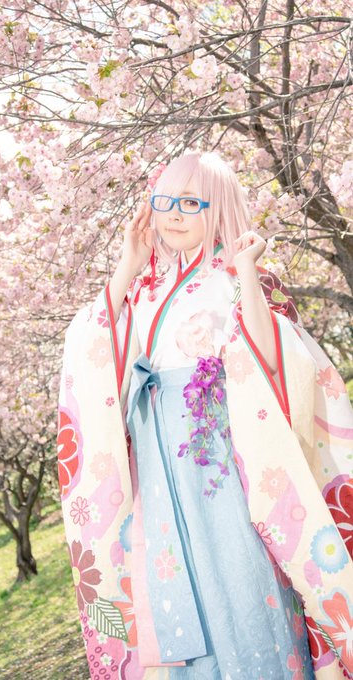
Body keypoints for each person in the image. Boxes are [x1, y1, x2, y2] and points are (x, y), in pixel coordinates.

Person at [58, 152, 353, 680]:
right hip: (156, 462)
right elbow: (94, 351)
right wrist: (127, 264)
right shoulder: (144, 287)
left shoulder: (241, 276)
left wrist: (246, 270)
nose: (173, 214)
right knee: (174, 574)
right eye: (164, 200)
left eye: (191, 202)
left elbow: (273, 362)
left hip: (220, 457)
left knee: (241, 570)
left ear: (219, 207)